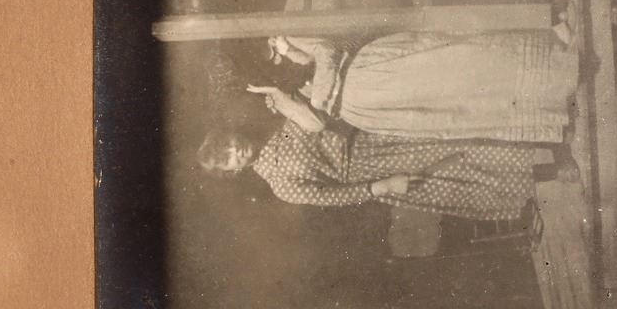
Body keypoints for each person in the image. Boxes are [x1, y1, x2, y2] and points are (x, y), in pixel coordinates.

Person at [198, 102, 568, 224]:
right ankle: (551, 172)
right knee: (460, 177)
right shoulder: (280, 185)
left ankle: (548, 137)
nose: (236, 151)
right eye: (229, 158)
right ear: (234, 171)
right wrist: (384, 186)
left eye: (229, 144)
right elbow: (334, 197)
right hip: (374, 171)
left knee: (457, 137)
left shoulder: (278, 121)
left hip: (372, 133)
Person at [262, 29, 578, 145]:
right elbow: (316, 122)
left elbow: (326, 51)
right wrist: (282, 98)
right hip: (366, 106)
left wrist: (291, 52)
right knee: (452, 111)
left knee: (462, 62)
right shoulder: (280, 98)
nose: (275, 55)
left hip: (371, 71)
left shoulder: (288, 42)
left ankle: (554, 70)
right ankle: (548, 107)